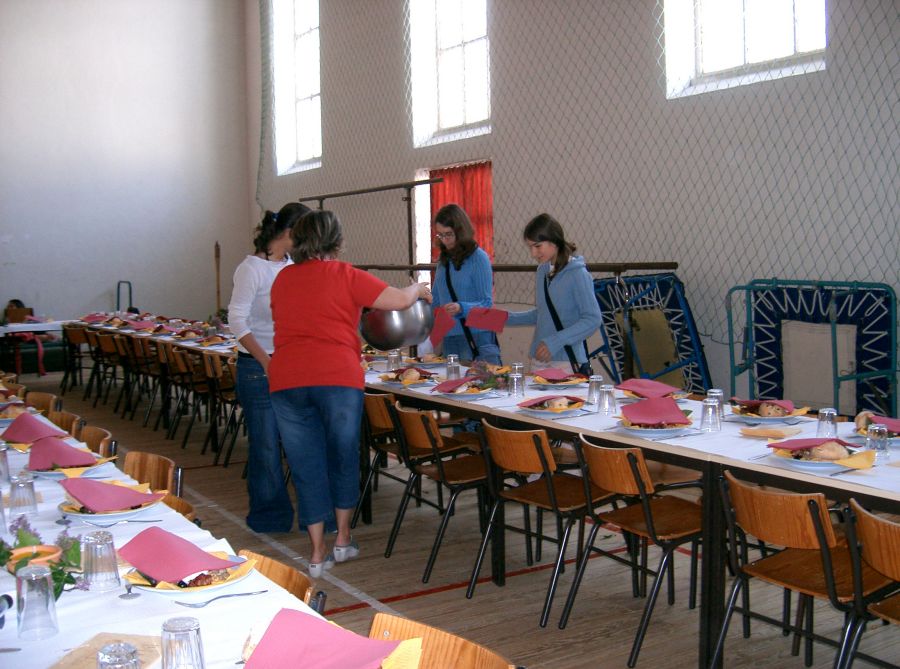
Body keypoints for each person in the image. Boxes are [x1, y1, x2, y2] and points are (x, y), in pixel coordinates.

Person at [268, 209, 432, 577]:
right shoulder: (346, 275)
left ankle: (316, 552)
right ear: (336, 241)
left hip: (288, 379)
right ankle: (342, 539)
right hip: (336, 378)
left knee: (305, 464)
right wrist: (418, 288)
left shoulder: (282, 280)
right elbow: (398, 301)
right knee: (342, 457)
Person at [227, 202, 311, 533]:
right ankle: (270, 517)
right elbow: (236, 320)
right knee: (265, 446)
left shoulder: (294, 266)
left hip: (292, 363)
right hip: (257, 367)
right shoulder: (252, 269)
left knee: (301, 443)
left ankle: (313, 515)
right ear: (289, 233)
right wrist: (265, 360)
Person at [506, 213, 602, 373]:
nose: (533, 254)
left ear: (554, 241)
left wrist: (555, 341)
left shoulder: (577, 274)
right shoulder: (542, 271)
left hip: (566, 361)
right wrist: (505, 318)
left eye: (537, 246)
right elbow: (543, 314)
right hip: (539, 359)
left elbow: (593, 319)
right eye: (530, 247)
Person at [431, 204, 501, 364]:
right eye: (440, 235)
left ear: (460, 231)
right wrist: (417, 297)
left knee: (478, 379)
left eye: (449, 234)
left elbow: (486, 302)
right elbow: (436, 300)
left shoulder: (479, 258)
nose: (445, 240)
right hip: (450, 336)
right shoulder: (443, 262)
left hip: (477, 335)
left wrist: (461, 307)